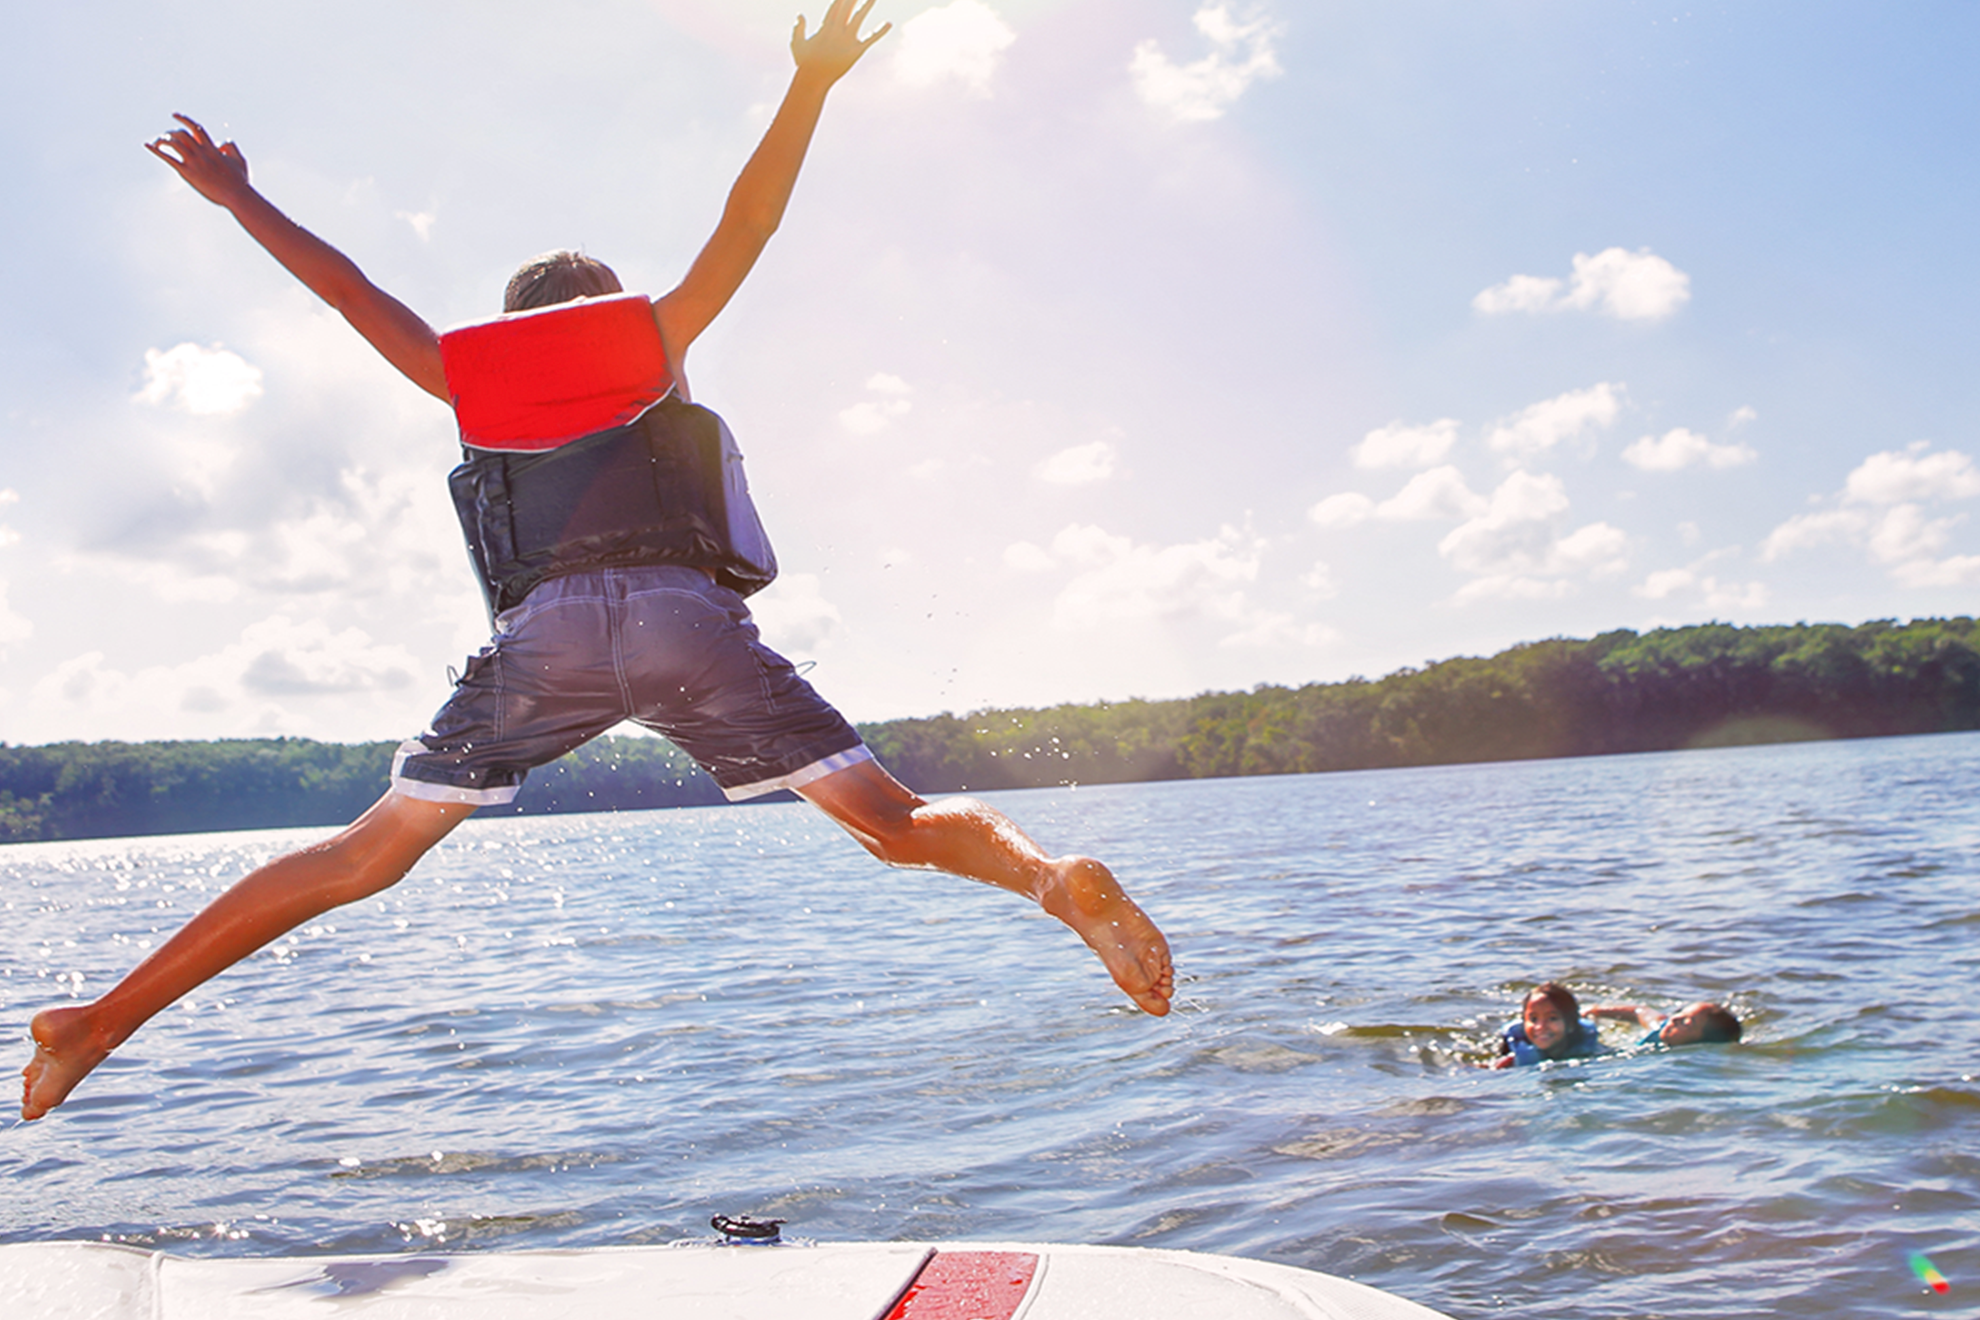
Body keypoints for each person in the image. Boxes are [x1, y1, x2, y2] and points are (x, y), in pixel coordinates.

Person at [20, 0, 1173, 1124]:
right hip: (689, 625)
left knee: (366, 856)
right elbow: (752, 221)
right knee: (892, 822)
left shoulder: (463, 376)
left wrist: (237, 196)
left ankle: (102, 1023)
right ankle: (1049, 880)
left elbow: (345, 289)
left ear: (511, 325)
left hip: (550, 639)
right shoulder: (656, 340)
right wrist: (812, 79)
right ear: (613, 317)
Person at [1491, 981, 1603, 1068]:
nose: (1540, 1027)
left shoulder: (1592, 1050)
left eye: (1552, 1018)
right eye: (1533, 1019)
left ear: (1571, 1024)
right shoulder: (1511, 1059)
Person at [1587, 1001, 1741, 1048]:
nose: (1674, 1019)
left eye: (1686, 1022)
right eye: (1681, 1013)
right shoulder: (1661, 1027)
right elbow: (1640, 1011)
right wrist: (1596, 1010)